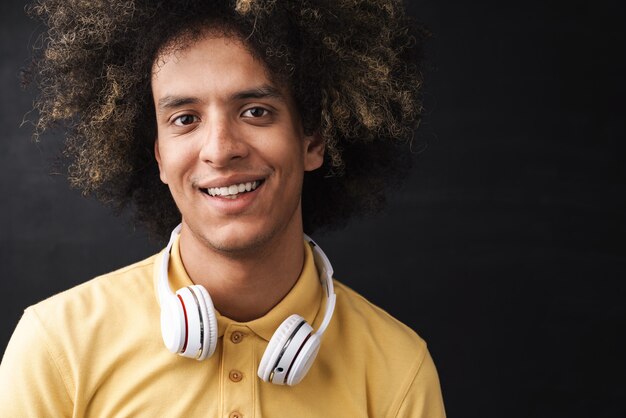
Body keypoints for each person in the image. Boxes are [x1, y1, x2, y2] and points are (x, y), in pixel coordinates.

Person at [0, 0, 446, 416]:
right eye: (185, 118)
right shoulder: (57, 347)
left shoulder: (399, 372)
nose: (219, 150)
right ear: (159, 157)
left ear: (312, 141)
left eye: (255, 111)